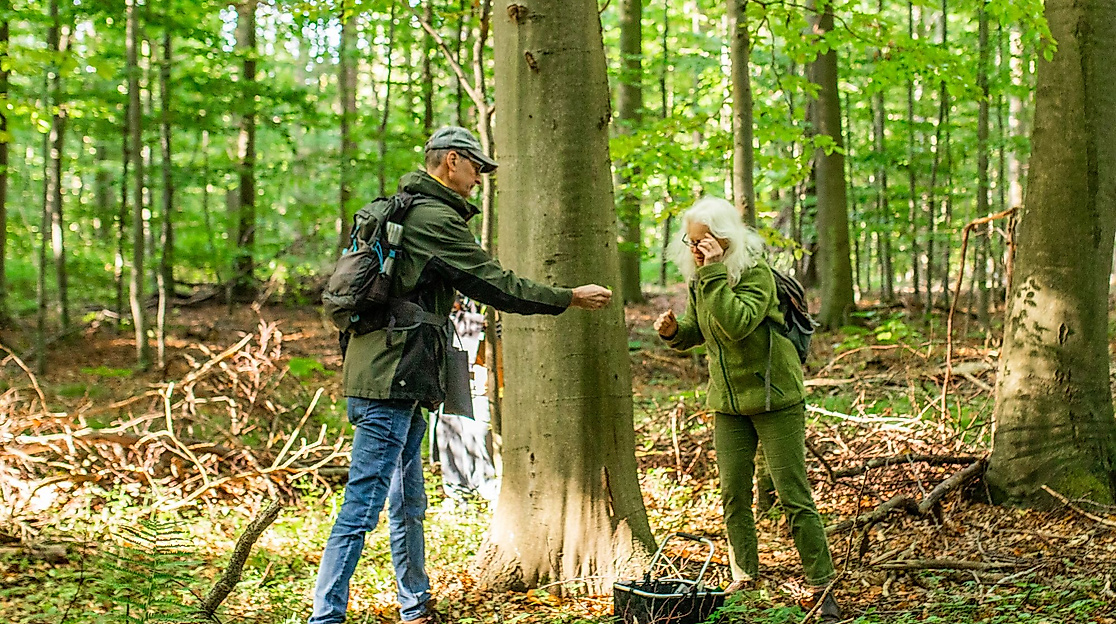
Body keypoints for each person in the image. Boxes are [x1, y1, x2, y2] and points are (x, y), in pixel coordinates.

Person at [310, 126, 613, 624]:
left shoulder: (405, 211)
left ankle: (415, 606)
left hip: (392, 373)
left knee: (408, 501)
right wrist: (568, 297)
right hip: (391, 379)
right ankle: (326, 617)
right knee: (362, 508)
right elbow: (495, 283)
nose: (480, 179)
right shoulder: (432, 218)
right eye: (477, 167)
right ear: (451, 161)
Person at [652, 197, 841, 620]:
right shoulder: (703, 279)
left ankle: (822, 584)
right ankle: (745, 574)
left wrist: (713, 274)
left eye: (704, 240)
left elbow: (737, 323)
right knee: (733, 493)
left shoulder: (755, 276)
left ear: (724, 238)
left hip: (776, 398)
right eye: (692, 240)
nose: (697, 248)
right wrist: (673, 332)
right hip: (728, 403)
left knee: (793, 495)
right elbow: (704, 329)